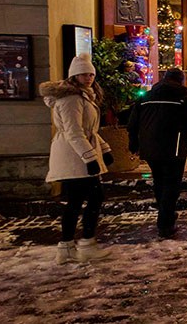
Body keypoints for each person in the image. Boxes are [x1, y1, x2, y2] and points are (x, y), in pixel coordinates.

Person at [42, 53, 114, 264]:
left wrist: (105, 149)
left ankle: (67, 247)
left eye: (91, 73)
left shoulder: (83, 96)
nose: (89, 77)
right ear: (74, 76)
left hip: (78, 154)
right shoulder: (71, 99)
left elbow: (89, 130)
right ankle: (85, 243)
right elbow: (74, 132)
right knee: (93, 197)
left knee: (77, 200)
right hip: (73, 157)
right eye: (83, 74)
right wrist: (90, 158)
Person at [128, 67, 187, 238]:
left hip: (150, 148)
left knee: (159, 181)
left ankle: (166, 213)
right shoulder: (183, 99)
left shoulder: (146, 98)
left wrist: (134, 144)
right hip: (174, 148)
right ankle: (165, 222)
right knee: (171, 184)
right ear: (181, 80)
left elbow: (132, 123)